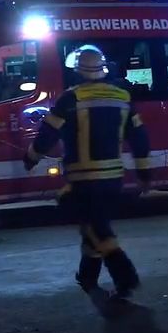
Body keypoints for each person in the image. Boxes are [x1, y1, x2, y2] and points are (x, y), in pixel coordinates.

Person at [24, 47, 151, 300]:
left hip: (83, 181)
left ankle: (126, 278)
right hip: (114, 180)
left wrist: (31, 157)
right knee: (93, 225)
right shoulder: (123, 96)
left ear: (78, 72)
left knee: (98, 230)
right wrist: (144, 173)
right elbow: (139, 138)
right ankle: (87, 277)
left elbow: (47, 134)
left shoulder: (71, 98)